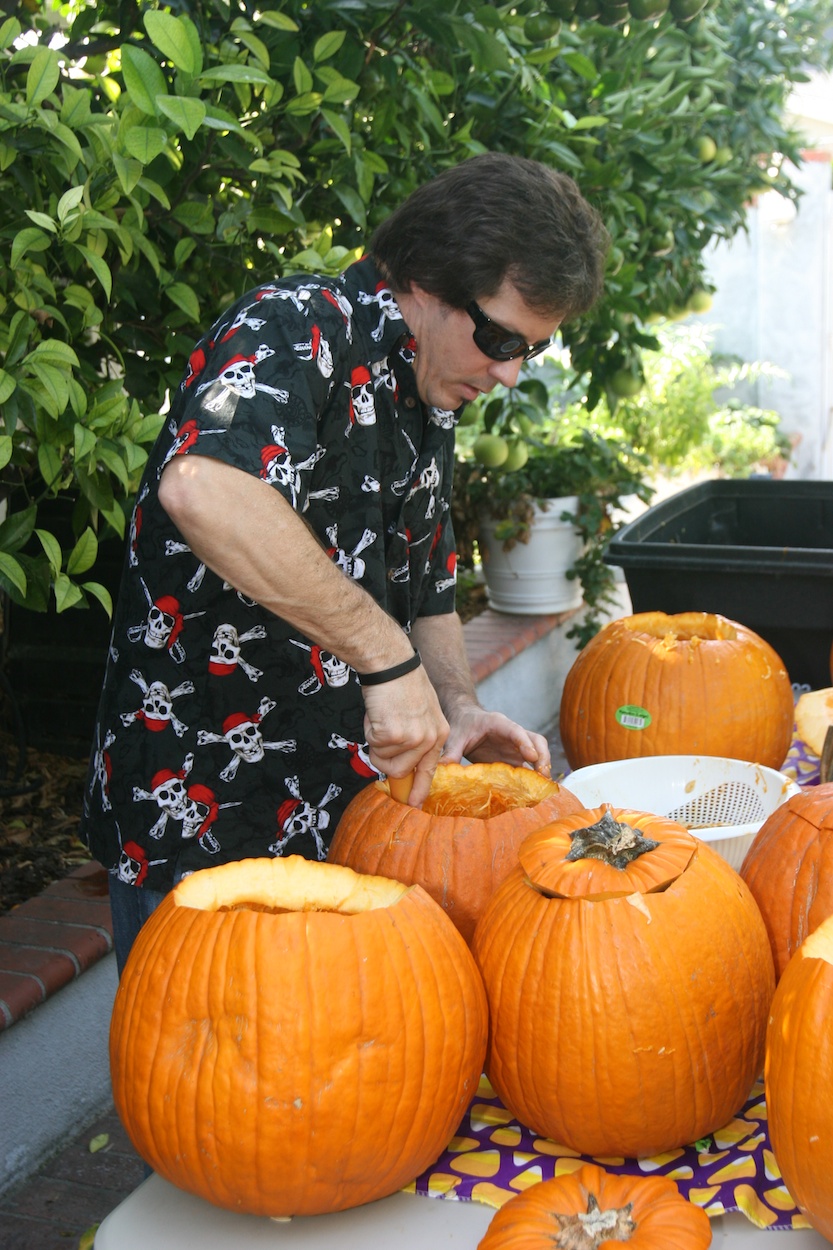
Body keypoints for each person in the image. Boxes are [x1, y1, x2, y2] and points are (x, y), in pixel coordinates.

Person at [79, 151, 609, 972]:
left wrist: (456, 705)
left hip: (342, 809)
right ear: (426, 283)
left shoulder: (429, 387)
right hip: (206, 811)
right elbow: (204, 488)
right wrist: (385, 663)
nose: (507, 372)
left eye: (527, 352)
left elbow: (426, 581)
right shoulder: (295, 326)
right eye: (501, 337)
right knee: (210, 1086)